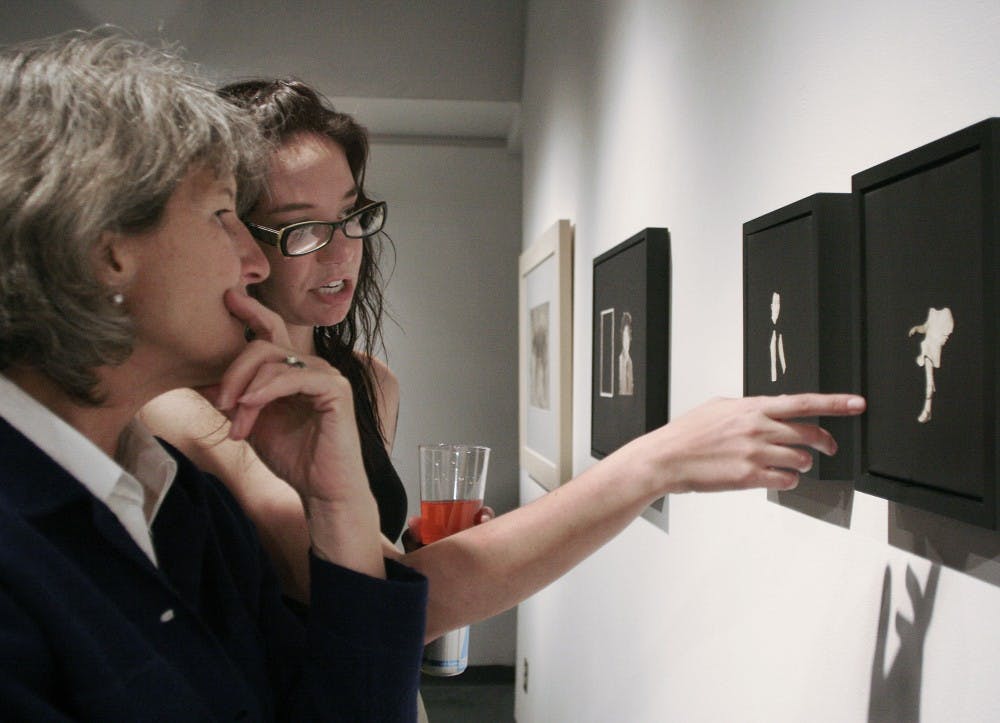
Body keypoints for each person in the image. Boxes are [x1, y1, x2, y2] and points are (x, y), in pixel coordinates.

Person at [143, 78, 866, 647]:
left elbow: (372, 572)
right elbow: (377, 599)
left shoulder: (367, 383)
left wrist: (423, 545)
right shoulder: (184, 401)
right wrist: (656, 461)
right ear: (233, 237)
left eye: (353, 215)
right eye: (303, 227)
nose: (341, 252)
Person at [0, 32, 427, 720]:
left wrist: (339, 506)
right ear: (104, 248)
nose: (253, 263)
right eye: (223, 215)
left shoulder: (188, 507)